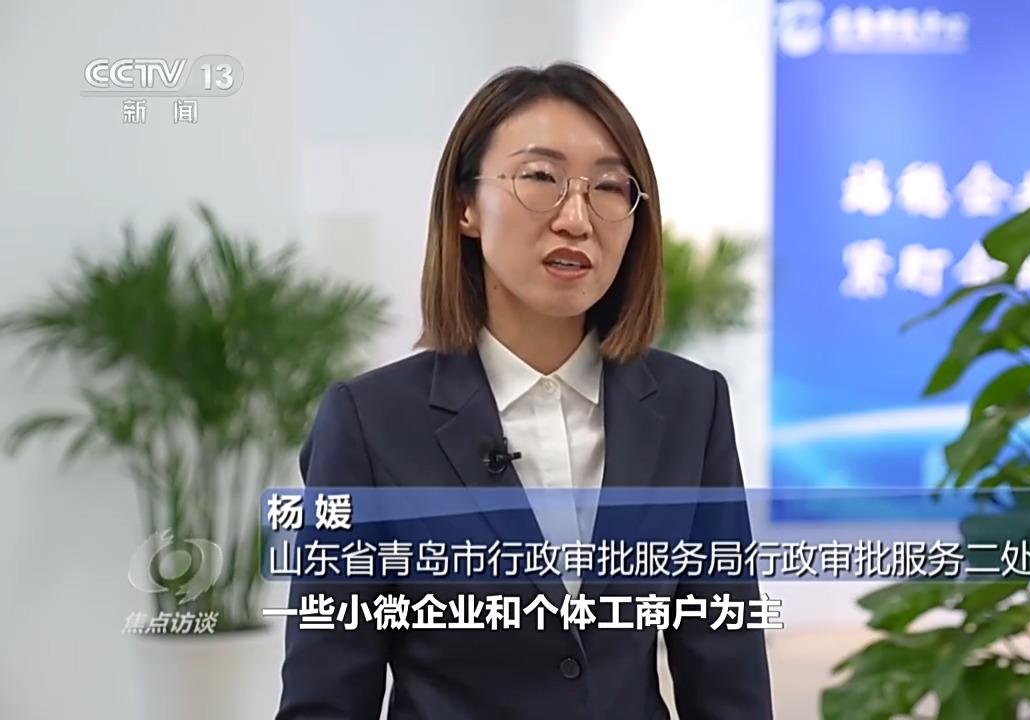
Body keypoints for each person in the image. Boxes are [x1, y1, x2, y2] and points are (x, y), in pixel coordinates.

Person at [275, 62, 773, 720]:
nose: (577, 218)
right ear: (465, 207)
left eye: (609, 186)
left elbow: (729, 678)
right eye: (540, 177)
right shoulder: (369, 423)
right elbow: (326, 699)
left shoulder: (691, 406)